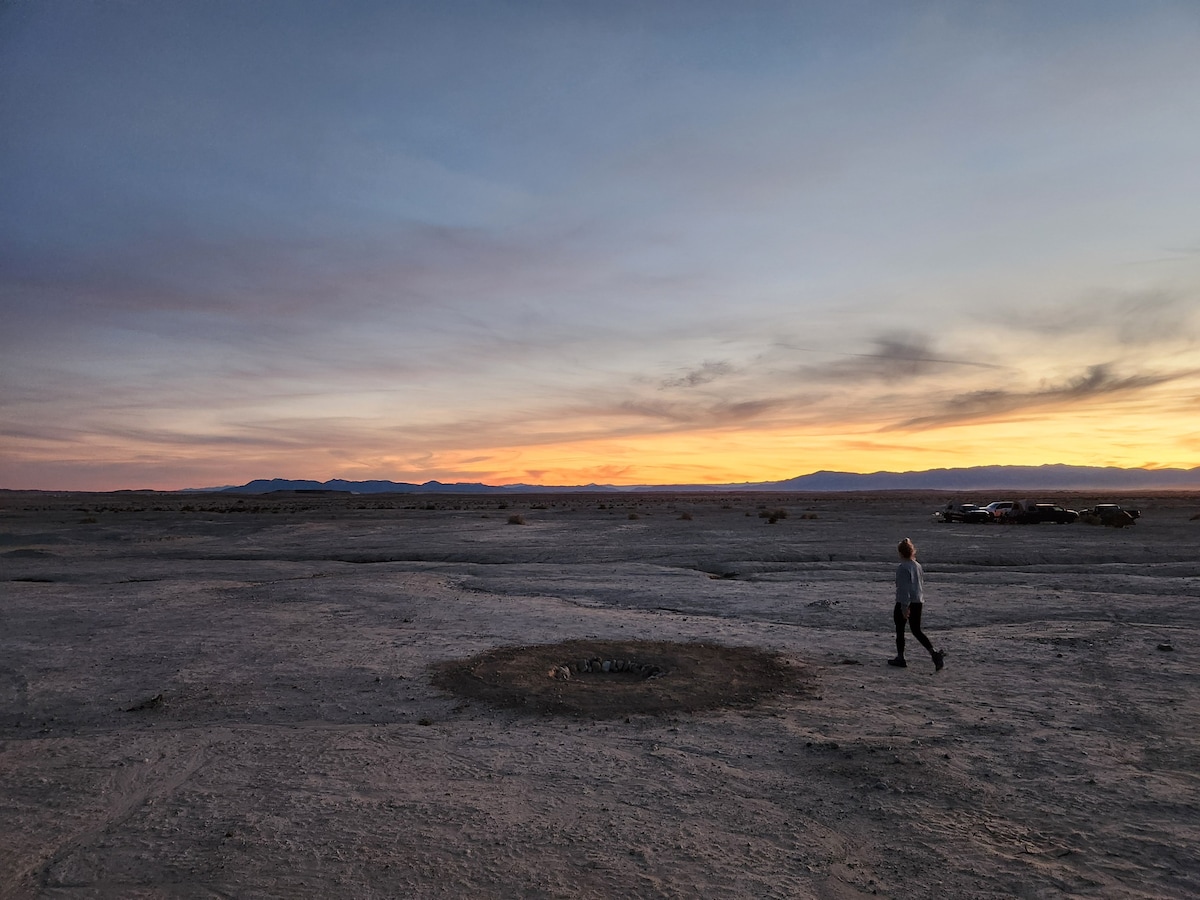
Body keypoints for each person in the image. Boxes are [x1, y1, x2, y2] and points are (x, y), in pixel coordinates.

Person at [890, 538, 945, 671]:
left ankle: (900, 657)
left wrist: (904, 607)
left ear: (900, 552)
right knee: (916, 630)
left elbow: (903, 588)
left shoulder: (903, 567)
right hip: (918, 601)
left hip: (906, 602)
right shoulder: (917, 565)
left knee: (900, 630)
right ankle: (933, 653)